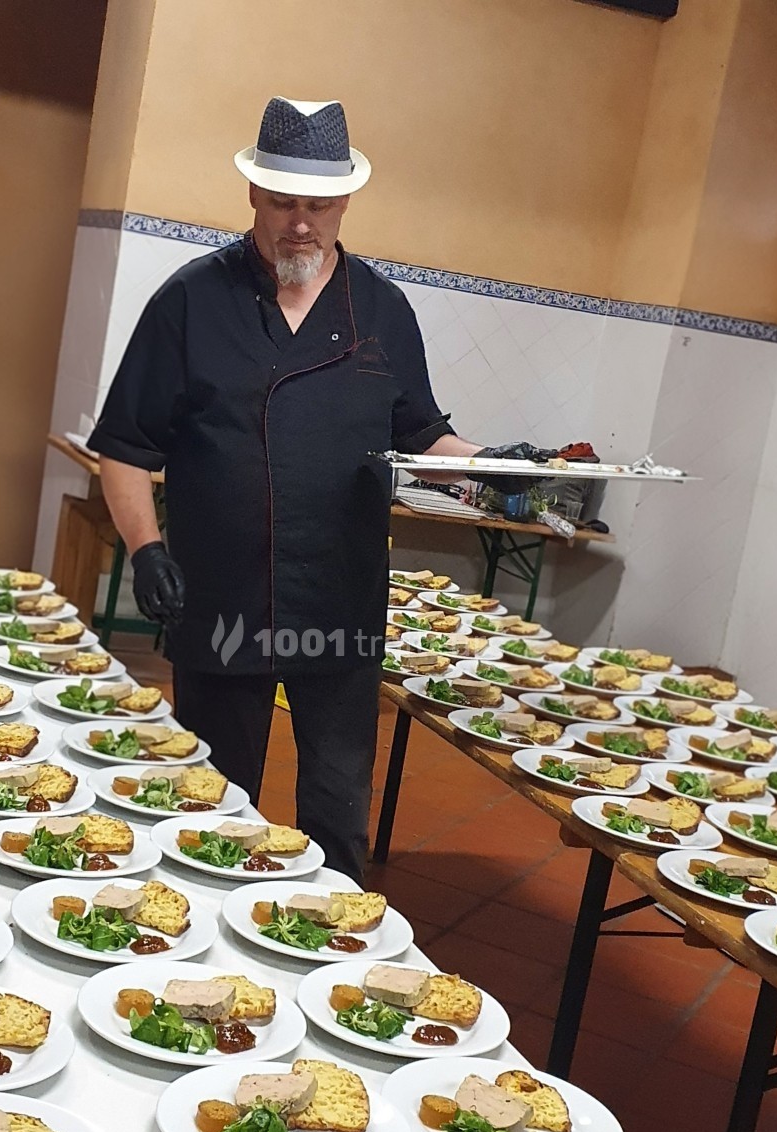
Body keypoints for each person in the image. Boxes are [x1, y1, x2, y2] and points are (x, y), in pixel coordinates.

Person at [89, 96, 521, 884]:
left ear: (344, 202)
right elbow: (121, 448)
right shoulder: (191, 300)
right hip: (220, 593)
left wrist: (504, 469)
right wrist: (147, 552)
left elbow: (423, 432)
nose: (300, 222)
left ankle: (332, 952)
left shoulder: (382, 309)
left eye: (318, 205)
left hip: (337, 599)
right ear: (253, 193)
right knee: (213, 806)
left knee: (334, 811)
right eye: (284, 201)